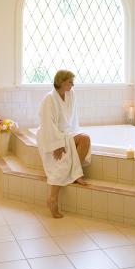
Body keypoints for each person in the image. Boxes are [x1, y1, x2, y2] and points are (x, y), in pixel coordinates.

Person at [36, 70, 91, 218]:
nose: (73, 85)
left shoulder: (71, 94)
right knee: (61, 161)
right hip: (49, 136)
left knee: (85, 139)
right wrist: (57, 144)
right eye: (70, 82)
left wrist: (69, 138)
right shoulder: (49, 99)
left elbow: (73, 119)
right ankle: (52, 199)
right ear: (61, 82)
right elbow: (47, 124)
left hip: (66, 133)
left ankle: (76, 173)